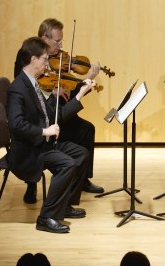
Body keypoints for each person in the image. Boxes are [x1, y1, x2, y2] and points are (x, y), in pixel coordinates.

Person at [8, 36, 94, 232]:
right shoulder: (18, 89)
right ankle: (46, 217)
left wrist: (80, 94)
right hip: (29, 149)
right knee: (68, 164)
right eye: (45, 59)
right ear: (33, 59)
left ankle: (63, 206)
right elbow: (16, 124)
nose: (48, 63)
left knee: (81, 154)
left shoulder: (33, 83)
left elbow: (56, 115)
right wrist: (44, 130)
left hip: (43, 144)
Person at [14, 18, 104, 205]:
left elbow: (68, 97)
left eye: (62, 40)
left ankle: (82, 178)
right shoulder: (27, 56)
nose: (60, 45)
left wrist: (86, 81)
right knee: (61, 134)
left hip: (54, 111)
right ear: (43, 38)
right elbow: (24, 86)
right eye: (57, 41)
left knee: (87, 129)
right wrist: (50, 90)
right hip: (38, 120)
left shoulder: (60, 60)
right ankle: (31, 183)